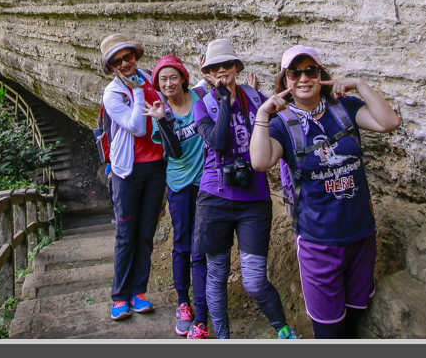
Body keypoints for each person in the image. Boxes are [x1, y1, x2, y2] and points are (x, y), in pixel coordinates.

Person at [249, 45, 400, 339]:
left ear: (322, 75)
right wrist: (263, 114)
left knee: (355, 317)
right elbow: (260, 161)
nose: (303, 78)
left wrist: (359, 85)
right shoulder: (282, 125)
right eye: (295, 72)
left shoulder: (344, 109)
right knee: (330, 332)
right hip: (318, 243)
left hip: (361, 235)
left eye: (311, 71)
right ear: (285, 79)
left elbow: (389, 122)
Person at [192, 38, 296, 339]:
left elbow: (284, 121)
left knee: (253, 281)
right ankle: (223, 338)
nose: (222, 71)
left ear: (237, 67)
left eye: (227, 65)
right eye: (214, 67)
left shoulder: (255, 98)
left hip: (255, 198)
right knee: (217, 274)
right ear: (208, 72)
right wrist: (224, 101)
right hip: (215, 199)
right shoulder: (203, 106)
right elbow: (219, 142)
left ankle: (285, 331)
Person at [99, 33, 176, 322]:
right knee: (125, 235)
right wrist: (138, 92)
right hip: (127, 171)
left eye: (127, 56)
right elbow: (137, 127)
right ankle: (120, 296)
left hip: (156, 166)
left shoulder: (149, 77)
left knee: (146, 232)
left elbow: (171, 102)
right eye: (117, 61)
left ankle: (139, 292)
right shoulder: (113, 93)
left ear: (135, 56)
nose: (125, 63)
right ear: (111, 68)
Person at [150, 55, 210, 339]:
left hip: (206, 184)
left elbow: (216, 87)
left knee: (201, 246)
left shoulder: (200, 96)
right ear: (158, 85)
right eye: (163, 80)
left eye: (173, 77)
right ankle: (183, 303)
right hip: (179, 186)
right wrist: (162, 122)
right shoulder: (162, 113)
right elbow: (173, 153)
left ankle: (202, 308)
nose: (169, 83)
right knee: (183, 243)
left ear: (184, 78)